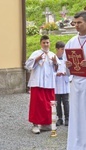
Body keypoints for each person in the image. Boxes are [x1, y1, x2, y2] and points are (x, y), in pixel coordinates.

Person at [25, 35, 60, 134]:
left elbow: (56, 70)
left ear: (50, 43)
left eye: (47, 42)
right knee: (37, 104)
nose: (46, 44)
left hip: (49, 84)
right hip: (38, 83)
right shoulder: (36, 53)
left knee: (48, 104)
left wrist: (55, 63)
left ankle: (46, 124)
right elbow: (27, 65)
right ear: (41, 43)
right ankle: (35, 124)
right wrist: (36, 59)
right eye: (44, 42)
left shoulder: (53, 55)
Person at [64, 11, 86, 150]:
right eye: (75, 23)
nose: (76, 26)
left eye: (79, 23)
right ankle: (76, 144)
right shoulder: (71, 42)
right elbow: (65, 65)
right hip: (76, 83)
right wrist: (67, 66)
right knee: (76, 114)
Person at [54, 41, 70, 127]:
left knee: (66, 102)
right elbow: (51, 71)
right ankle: (60, 118)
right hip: (57, 83)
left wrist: (66, 73)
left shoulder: (66, 58)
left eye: (64, 49)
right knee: (58, 102)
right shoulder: (53, 58)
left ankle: (67, 118)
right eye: (61, 49)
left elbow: (70, 70)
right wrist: (56, 74)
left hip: (64, 82)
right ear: (57, 49)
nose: (63, 51)